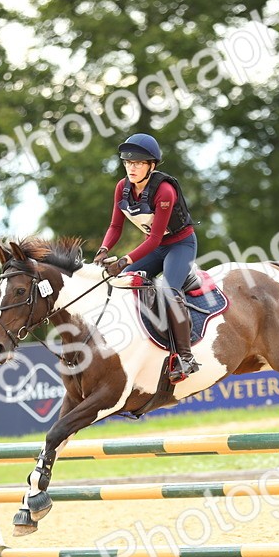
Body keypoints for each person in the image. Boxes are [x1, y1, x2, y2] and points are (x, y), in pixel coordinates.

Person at [93, 133, 200, 383]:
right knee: (117, 283)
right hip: (156, 246)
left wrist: (124, 261)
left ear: (151, 166)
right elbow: (115, 227)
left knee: (169, 291)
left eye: (138, 163)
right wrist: (104, 249)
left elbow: (153, 240)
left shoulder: (164, 191)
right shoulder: (122, 187)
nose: (132, 168)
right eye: (128, 163)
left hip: (180, 245)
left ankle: (185, 357)